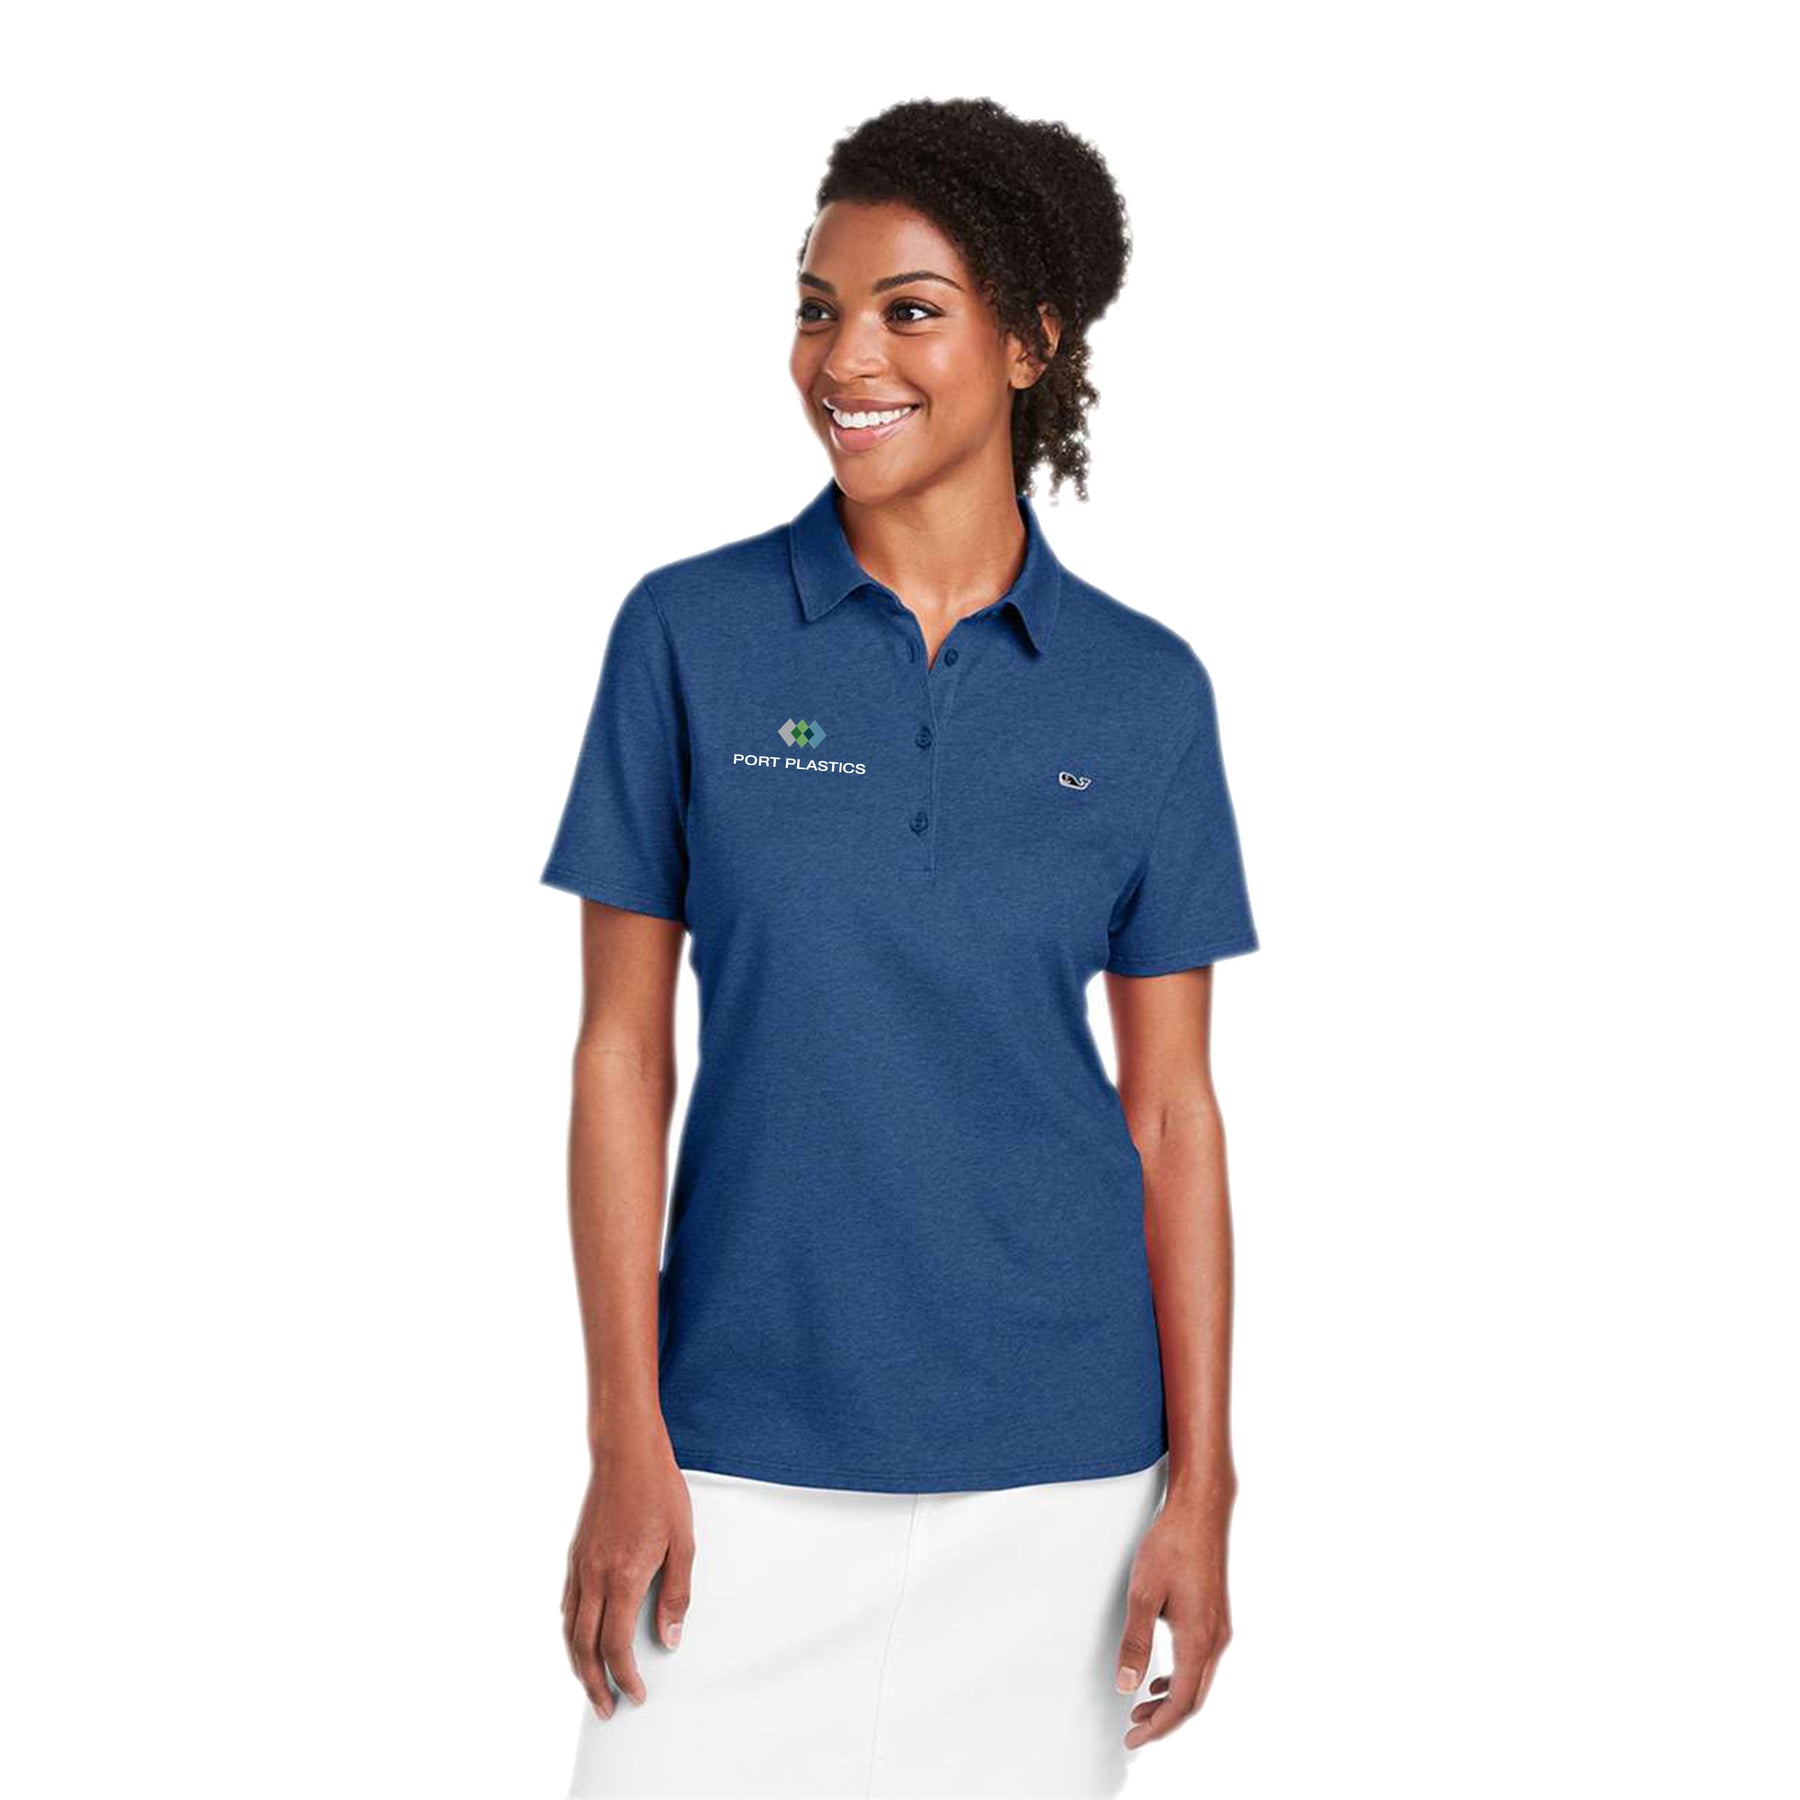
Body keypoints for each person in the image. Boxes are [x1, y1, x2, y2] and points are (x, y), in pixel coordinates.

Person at [541, 97, 1260, 1800]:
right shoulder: (687, 635)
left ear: (1031, 343)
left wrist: (1206, 1485)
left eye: (908, 309)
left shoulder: (1145, 692)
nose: (843, 357)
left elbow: (1174, 1114)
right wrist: (623, 1428)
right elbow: (621, 1054)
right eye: (817, 307)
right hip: (735, 1456)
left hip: (1062, 1482)